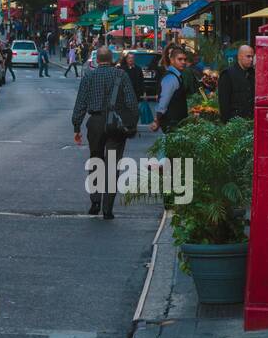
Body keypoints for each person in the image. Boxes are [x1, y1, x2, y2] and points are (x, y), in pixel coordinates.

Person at [72, 46, 139, 219]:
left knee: (95, 160)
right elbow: (131, 101)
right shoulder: (121, 75)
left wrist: (77, 126)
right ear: (111, 59)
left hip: (95, 122)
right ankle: (108, 207)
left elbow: (80, 103)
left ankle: (95, 200)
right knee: (112, 164)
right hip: (115, 123)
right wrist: (131, 124)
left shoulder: (89, 76)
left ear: (97, 60)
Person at [151, 46, 196, 135]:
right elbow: (164, 102)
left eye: (184, 59)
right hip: (171, 123)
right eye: (180, 59)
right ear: (172, 60)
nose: (183, 62)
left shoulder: (177, 76)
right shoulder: (171, 78)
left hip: (176, 122)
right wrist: (157, 120)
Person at [217, 45, 256, 123]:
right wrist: (226, 124)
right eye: (248, 56)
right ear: (239, 57)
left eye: (252, 57)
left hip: (250, 120)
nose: (251, 59)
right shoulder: (227, 74)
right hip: (234, 122)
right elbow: (224, 103)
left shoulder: (252, 73)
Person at [119, 51, 152, 128]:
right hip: (125, 95)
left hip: (136, 94)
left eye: (132, 58)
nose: (131, 59)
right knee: (127, 111)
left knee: (136, 111)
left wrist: (144, 93)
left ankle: (133, 125)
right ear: (126, 59)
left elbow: (142, 81)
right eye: (129, 58)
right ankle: (127, 124)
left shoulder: (138, 69)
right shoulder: (122, 69)